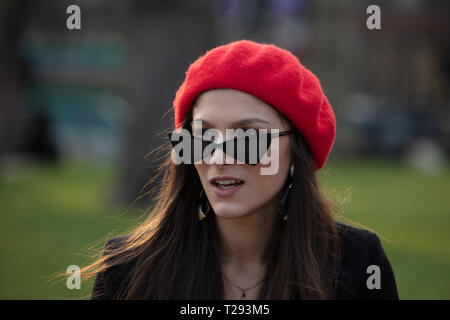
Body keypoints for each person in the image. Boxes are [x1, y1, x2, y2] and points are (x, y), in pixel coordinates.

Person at [87, 40, 398, 300]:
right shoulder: (125, 269)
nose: (219, 158)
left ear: (295, 152)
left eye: (247, 138)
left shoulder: (358, 264)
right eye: (203, 137)